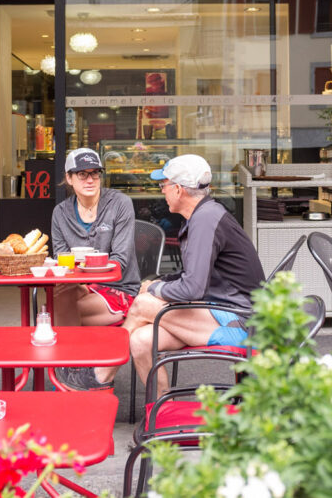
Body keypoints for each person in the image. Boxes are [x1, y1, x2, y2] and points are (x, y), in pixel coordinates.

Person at [61, 153, 264, 393]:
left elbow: (192, 288)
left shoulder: (205, 220)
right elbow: (192, 275)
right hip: (220, 311)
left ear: (179, 190)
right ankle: (160, 412)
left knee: (144, 304)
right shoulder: (203, 214)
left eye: (163, 185)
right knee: (141, 340)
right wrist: (160, 282)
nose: (161, 190)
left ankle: (100, 374)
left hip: (241, 324)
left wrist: (155, 289)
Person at [51, 148, 139, 389]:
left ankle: (73, 369)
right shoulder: (60, 212)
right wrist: (80, 281)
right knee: (55, 300)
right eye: (82, 174)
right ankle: (75, 367)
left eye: (95, 174)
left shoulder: (120, 204)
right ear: (69, 178)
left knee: (56, 309)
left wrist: (81, 274)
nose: (90, 180)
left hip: (119, 289)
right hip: (82, 288)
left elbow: (119, 261)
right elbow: (61, 260)